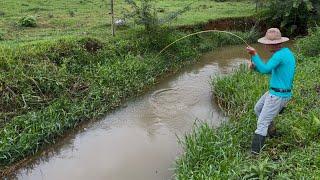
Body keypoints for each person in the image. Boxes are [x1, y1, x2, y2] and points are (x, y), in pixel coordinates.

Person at [246, 28, 296, 155]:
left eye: (266, 43)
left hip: (277, 95)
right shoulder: (285, 53)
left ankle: (254, 154)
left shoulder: (279, 55)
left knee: (261, 123)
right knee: (258, 108)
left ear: (272, 44)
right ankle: (272, 130)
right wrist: (255, 67)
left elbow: (265, 69)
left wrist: (254, 54)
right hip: (276, 92)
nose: (264, 45)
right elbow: (268, 70)